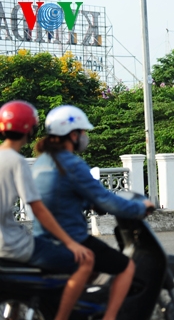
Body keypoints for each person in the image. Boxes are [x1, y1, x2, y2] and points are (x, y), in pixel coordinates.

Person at [31, 104, 154, 320]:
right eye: (83, 132)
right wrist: (139, 208)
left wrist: (87, 204)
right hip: (71, 239)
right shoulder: (71, 164)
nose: (85, 137)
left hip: (43, 239)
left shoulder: (42, 162)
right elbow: (105, 199)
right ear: (72, 134)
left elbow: (62, 199)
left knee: (97, 271)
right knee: (125, 267)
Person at [0, 100, 94, 320]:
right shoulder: (17, 161)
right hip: (12, 245)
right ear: (30, 129)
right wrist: (71, 243)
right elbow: (38, 208)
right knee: (86, 260)